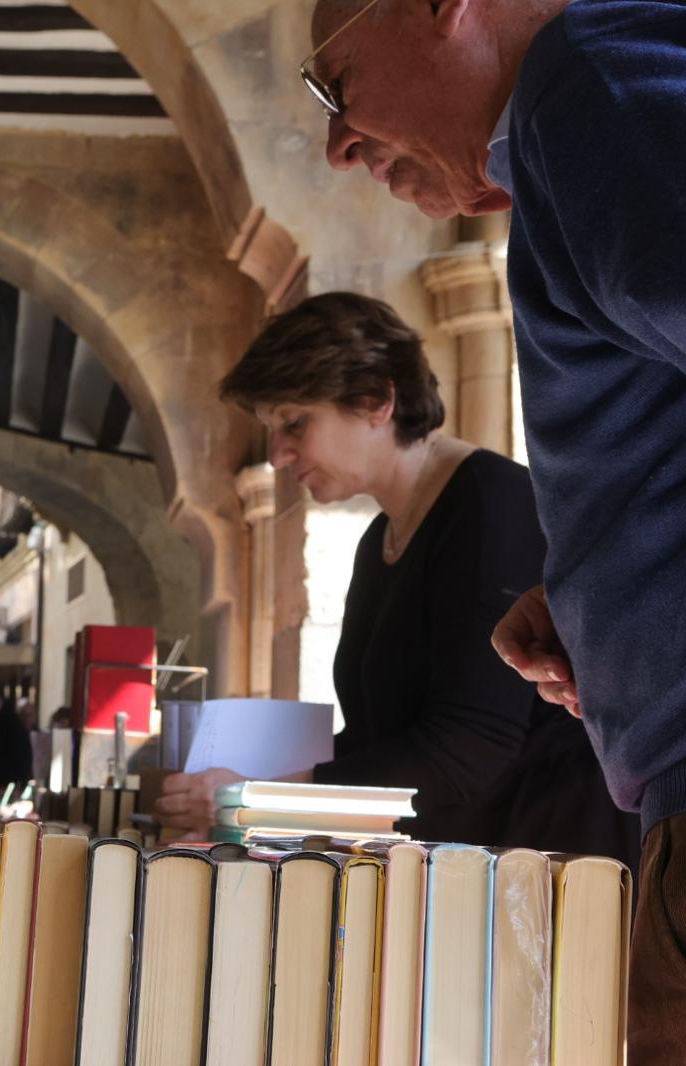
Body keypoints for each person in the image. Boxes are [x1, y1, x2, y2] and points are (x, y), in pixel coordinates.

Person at [302, 0, 686, 1049]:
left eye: (336, 81)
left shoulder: (585, 83)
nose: (338, 142)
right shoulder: (586, 98)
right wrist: (613, 597)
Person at [154, 293, 635, 861]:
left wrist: (261, 795)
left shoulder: (488, 508)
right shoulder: (378, 539)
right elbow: (376, 743)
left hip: (550, 868)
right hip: (460, 866)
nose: (279, 454)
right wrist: (241, 790)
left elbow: (467, 750)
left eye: (294, 422)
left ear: (376, 400)